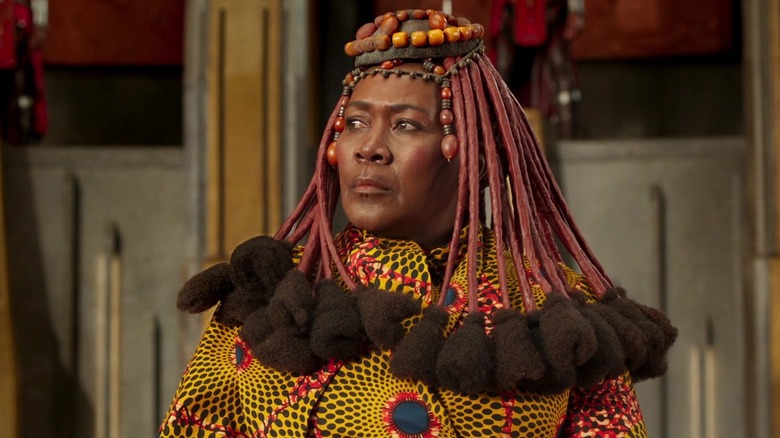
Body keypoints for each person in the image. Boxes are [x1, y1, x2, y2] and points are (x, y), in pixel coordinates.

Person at [158, 9, 676, 437]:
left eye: (406, 125)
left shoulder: (554, 309)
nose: (369, 148)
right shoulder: (275, 299)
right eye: (355, 122)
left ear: (471, 155)